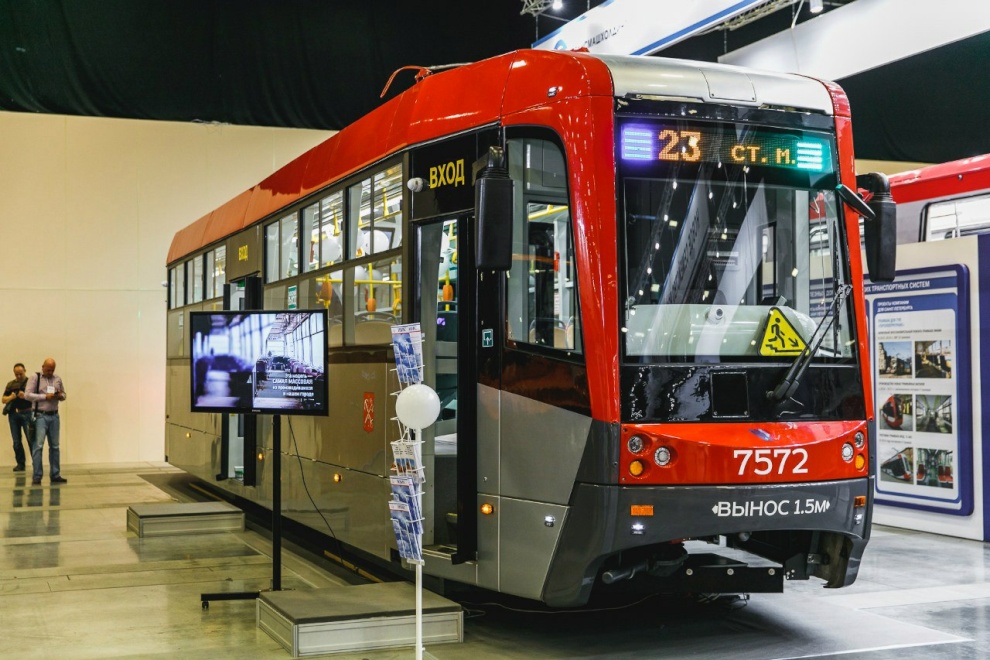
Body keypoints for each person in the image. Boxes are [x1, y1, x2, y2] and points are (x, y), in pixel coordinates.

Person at [21, 358, 67, 485]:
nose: (50, 372)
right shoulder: (35, 378)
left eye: (52, 370)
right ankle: (37, 476)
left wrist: (60, 395)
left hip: (54, 416)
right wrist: (44, 396)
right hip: (40, 416)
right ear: (43, 367)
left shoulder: (57, 379)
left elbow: (64, 395)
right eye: (48, 369)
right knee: (38, 446)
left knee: (55, 447)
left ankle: (55, 474)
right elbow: (27, 395)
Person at [2, 363, 32, 471]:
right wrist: (11, 397)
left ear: (25, 371)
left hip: (28, 413)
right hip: (13, 415)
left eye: (20, 374)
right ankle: (20, 464)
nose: (18, 376)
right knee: (16, 441)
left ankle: (36, 463)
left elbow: (37, 398)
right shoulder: (10, 384)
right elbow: (3, 399)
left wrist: (25, 396)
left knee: (30, 439)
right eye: (16, 374)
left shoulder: (31, 383)